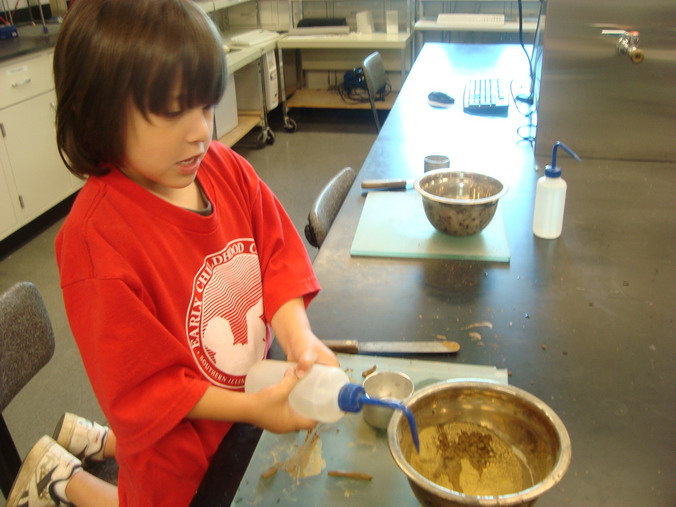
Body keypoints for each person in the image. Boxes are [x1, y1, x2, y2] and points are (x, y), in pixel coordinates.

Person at [6, 0, 338, 505]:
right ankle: (58, 474)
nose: (201, 131)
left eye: (205, 106)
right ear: (99, 112)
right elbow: (147, 388)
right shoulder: (95, 243)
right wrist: (253, 410)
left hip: (246, 411)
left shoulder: (225, 168)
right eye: (172, 111)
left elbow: (276, 255)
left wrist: (298, 336)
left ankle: (89, 440)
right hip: (178, 463)